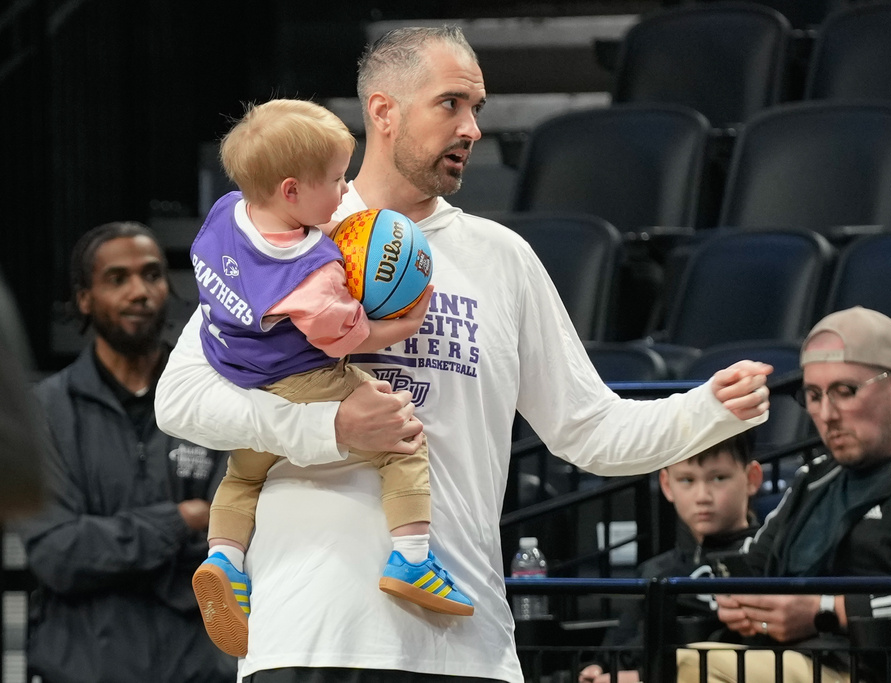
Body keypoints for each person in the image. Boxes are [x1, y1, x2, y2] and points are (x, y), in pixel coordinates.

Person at [155, 25, 773, 683]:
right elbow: (181, 399)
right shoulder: (286, 235)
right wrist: (328, 428)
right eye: (451, 103)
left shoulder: (502, 259)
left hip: (466, 645)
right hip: (312, 637)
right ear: (383, 111)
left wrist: (707, 408)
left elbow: (590, 431)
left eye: (477, 108)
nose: (473, 128)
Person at [189, 98, 470, 660]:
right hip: (300, 377)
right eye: (337, 180)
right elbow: (346, 339)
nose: (345, 192)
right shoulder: (311, 272)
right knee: (401, 438)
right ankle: (413, 559)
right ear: (291, 191)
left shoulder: (227, 212)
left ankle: (223, 557)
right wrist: (405, 322)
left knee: (242, 478)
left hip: (236, 369)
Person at [676, 306, 891, 683]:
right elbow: (745, 566)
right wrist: (729, 603)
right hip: (796, 658)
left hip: (884, 669)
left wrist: (825, 610)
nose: (826, 414)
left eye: (845, 391)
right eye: (813, 395)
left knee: (693, 664)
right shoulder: (815, 479)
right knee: (662, 654)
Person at [15, 222, 236, 683]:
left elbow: (234, 535)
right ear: (84, 299)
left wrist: (110, 545)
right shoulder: (46, 410)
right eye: (118, 279)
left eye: (152, 275)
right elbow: (57, 554)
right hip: (82, 669)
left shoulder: (211, 395)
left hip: (196, 669)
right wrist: (180, 520)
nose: (140, 292)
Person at [579, 434, 764, 683]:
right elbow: (620, 642)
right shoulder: (655, 570)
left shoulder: (765, 559)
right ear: (667, 485)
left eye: (719, 478)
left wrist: (644, 678)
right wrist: (598, 668)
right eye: (686, 480)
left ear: (751, 479)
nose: (702, 496)